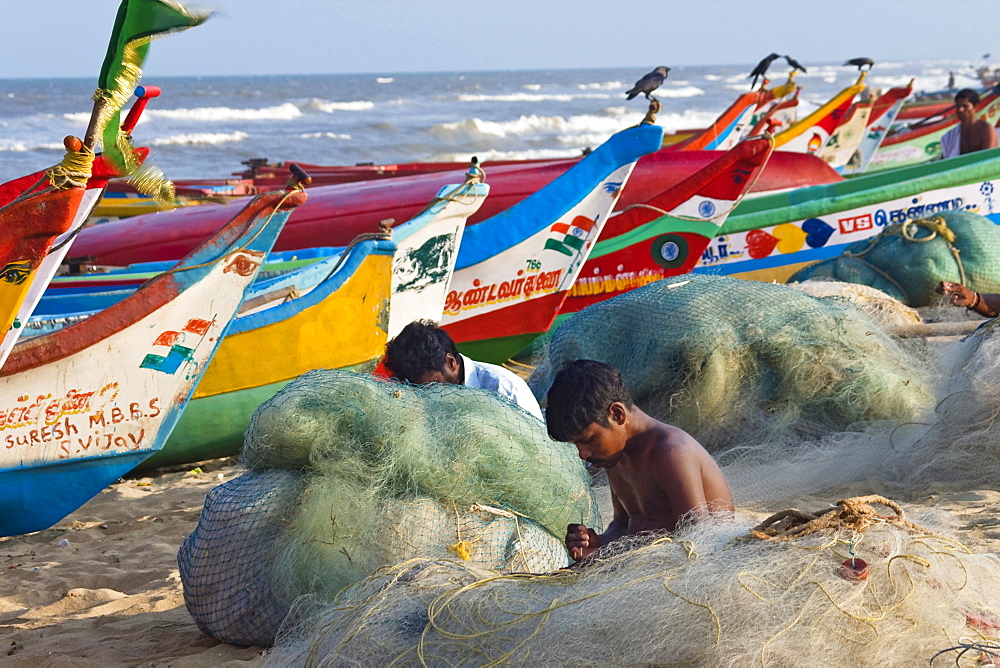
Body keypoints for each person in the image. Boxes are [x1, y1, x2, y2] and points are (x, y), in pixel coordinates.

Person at [545, 359, 734, 562]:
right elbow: (625, 524)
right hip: (647, 562)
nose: (583, 454)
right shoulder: (614, 457)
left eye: (589, 440)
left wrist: (612, 560)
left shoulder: (671, 452)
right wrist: (598, 544)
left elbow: (698, 539)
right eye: (576, 446)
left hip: (696, 563)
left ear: (617, 415)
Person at [383, 319, 543, 420]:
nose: (428, 395)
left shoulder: (503, 389)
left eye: (432, 386)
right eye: (418, 389)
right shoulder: (421, 397)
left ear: (450, 363)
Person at [940, 89, 999, 159]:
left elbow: (988, 160)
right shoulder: (951, 135)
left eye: (965, 106)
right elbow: (944, 162)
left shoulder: (985, 130)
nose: (960, 110)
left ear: (975, 107)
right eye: (958, 106)